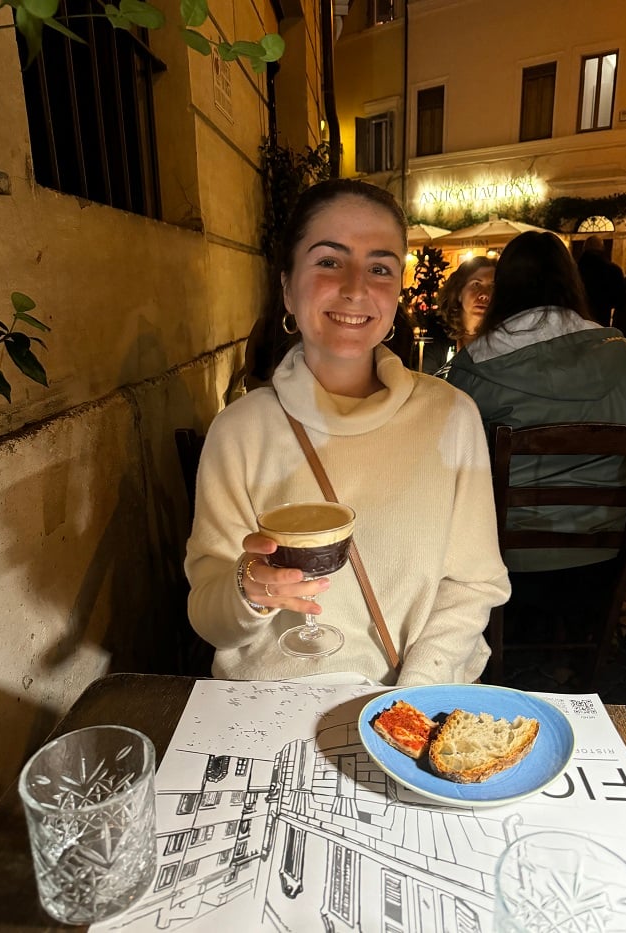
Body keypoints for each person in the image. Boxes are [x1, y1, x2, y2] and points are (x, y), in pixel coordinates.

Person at [185, 178, 510, 687]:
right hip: (271, 702)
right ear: (288, 287)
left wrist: (408, 702)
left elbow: (473, 584)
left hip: (413, 697)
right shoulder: (238, 431)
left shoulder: (452, 416)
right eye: (329, 261)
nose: (357, 287)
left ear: (396, 292)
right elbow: (210, 619)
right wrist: (249, 591)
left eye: (380, 268)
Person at [445, 231, 626, 668]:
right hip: (607, 556)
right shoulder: (623, 355)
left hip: (507, 562)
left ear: (506, 286)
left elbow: (448, 465)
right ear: (570, 280)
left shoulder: (474, 367)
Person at [435, 257, 496, 375]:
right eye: (477, 284)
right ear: (459, 292)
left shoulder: (501, 340)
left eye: (492, 287)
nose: (484, 295)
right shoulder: (438, 337)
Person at [577, 234, 625, 327]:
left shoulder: (574, 270)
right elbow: (620, 300)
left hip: (579, 320)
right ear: (602, 248)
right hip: (602, 319)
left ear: (584, 248)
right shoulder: (613, 270)